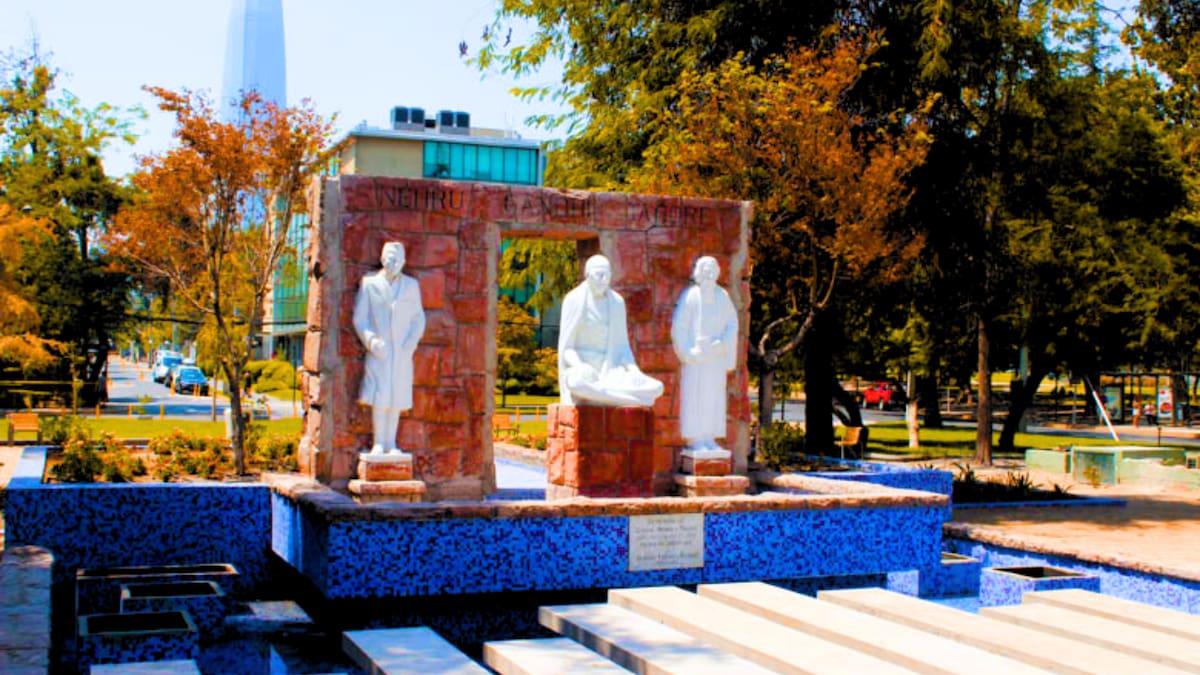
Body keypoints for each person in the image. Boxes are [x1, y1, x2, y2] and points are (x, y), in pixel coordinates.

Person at [557, 254, 663, 407]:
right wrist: (580, 365)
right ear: (588, 275)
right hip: (583, 370)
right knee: (576, 383)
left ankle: (602, 394)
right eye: (598, 274)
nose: (603, 279)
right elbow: (567, 348)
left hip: (611, 369)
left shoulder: (617, 302)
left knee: (656, 387)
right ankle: (630, 399)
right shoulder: (574, 300)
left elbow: (622, 347)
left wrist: (634, 372)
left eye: (606, 275)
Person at [353, 242, 426, 455]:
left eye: (396, 260)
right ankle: (378, 442)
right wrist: (371, 341)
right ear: (382, 259)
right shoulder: (369, 284)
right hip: (380, 351)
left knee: (396, 397)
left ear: (403, 262)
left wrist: (410, 343)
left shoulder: (411, 286)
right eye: (388, 259)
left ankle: (391, 443)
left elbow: (418, 319)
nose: (391, 264)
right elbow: (360, 319)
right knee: (380, 396)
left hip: (402, 353)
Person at [671, 256, 739, 451]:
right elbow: (679, 326)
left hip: (715, 356)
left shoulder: (722, 296)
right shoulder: (691, 296)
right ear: (699, 272)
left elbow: (732, 323)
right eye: (705, 269)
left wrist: (723, 342)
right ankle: (695, 439)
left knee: (714, 396)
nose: (709, 272)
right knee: (696, 396)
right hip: (697, 357)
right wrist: (688, 352)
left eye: (712, 269)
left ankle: (709, 438)